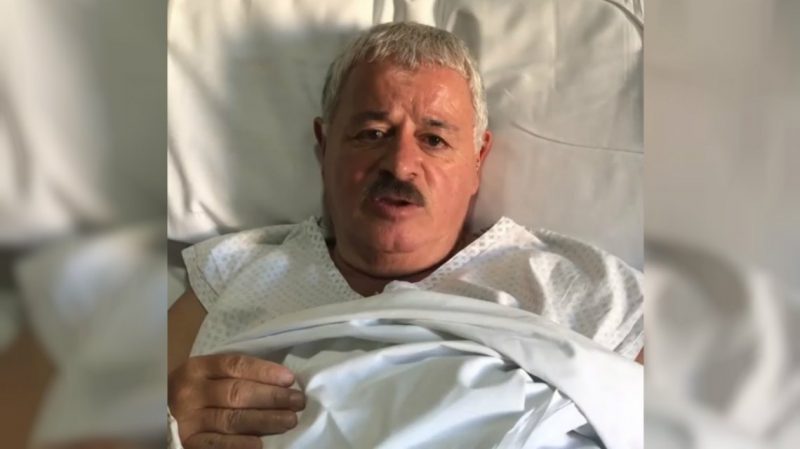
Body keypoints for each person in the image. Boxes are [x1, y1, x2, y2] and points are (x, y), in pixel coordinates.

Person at [168, 22, 643, 449]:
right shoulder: (233, 275)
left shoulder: (582, 289)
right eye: (372, 133)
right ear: (324, 146)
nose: (399, 166)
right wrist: (168, 413)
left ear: (478, 159)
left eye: (434, 139)